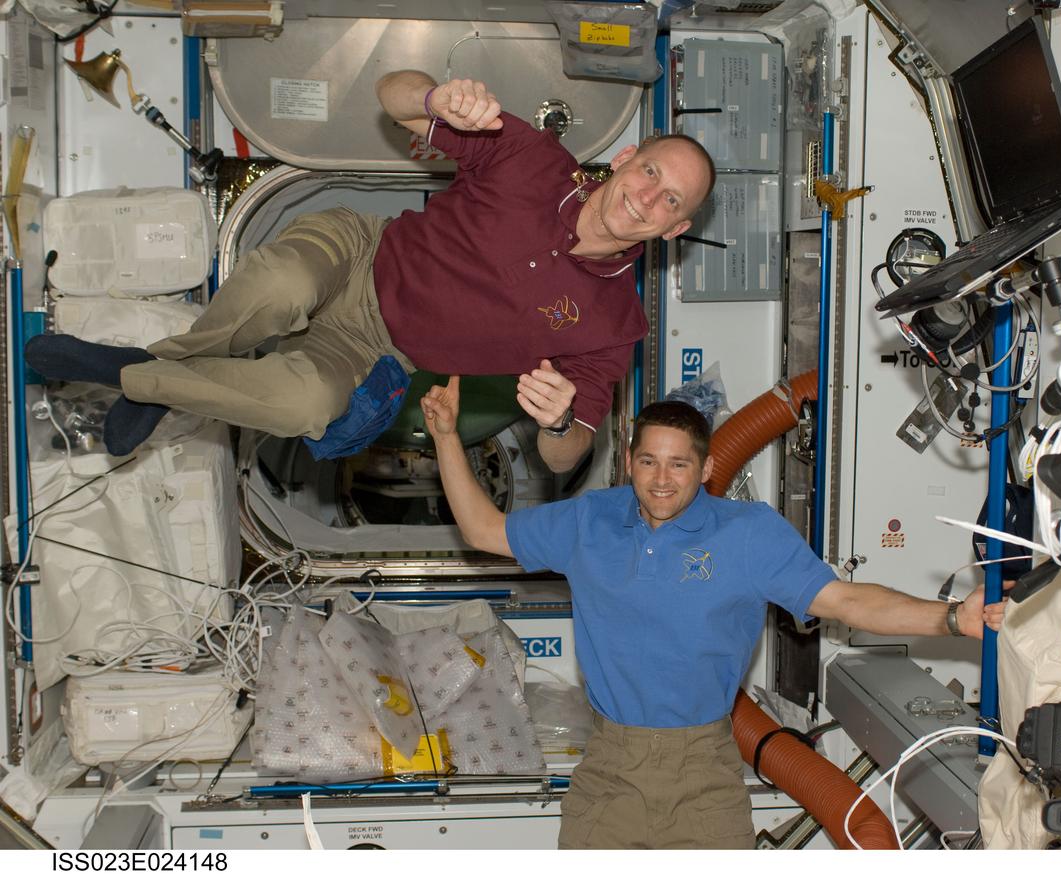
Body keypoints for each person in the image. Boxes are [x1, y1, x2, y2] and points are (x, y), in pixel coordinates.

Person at [421, 379, 1006, 849]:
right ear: (628, 462)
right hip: (608, 770)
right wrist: (446, 437)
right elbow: (482, 528)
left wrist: (952, 619)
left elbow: (845, 600)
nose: (661, 480)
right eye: (648, 462)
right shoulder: (587, 522)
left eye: (678, 465)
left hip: (702, 773)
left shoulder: (747, 535)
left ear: (705, 470)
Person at [25, 74, 715, 469]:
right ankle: (163, 376)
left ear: (676, 230)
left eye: (671, 201)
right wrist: (438, 96)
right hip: (359, 253)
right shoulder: (531, 157)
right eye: (651, 172)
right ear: (625, 159)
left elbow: (568, 457)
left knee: (303, 407)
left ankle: (139, 377)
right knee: (278, 288)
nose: (648, 197)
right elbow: (394, 92)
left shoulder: (614, 325)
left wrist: (562, 423)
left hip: (375, 348)